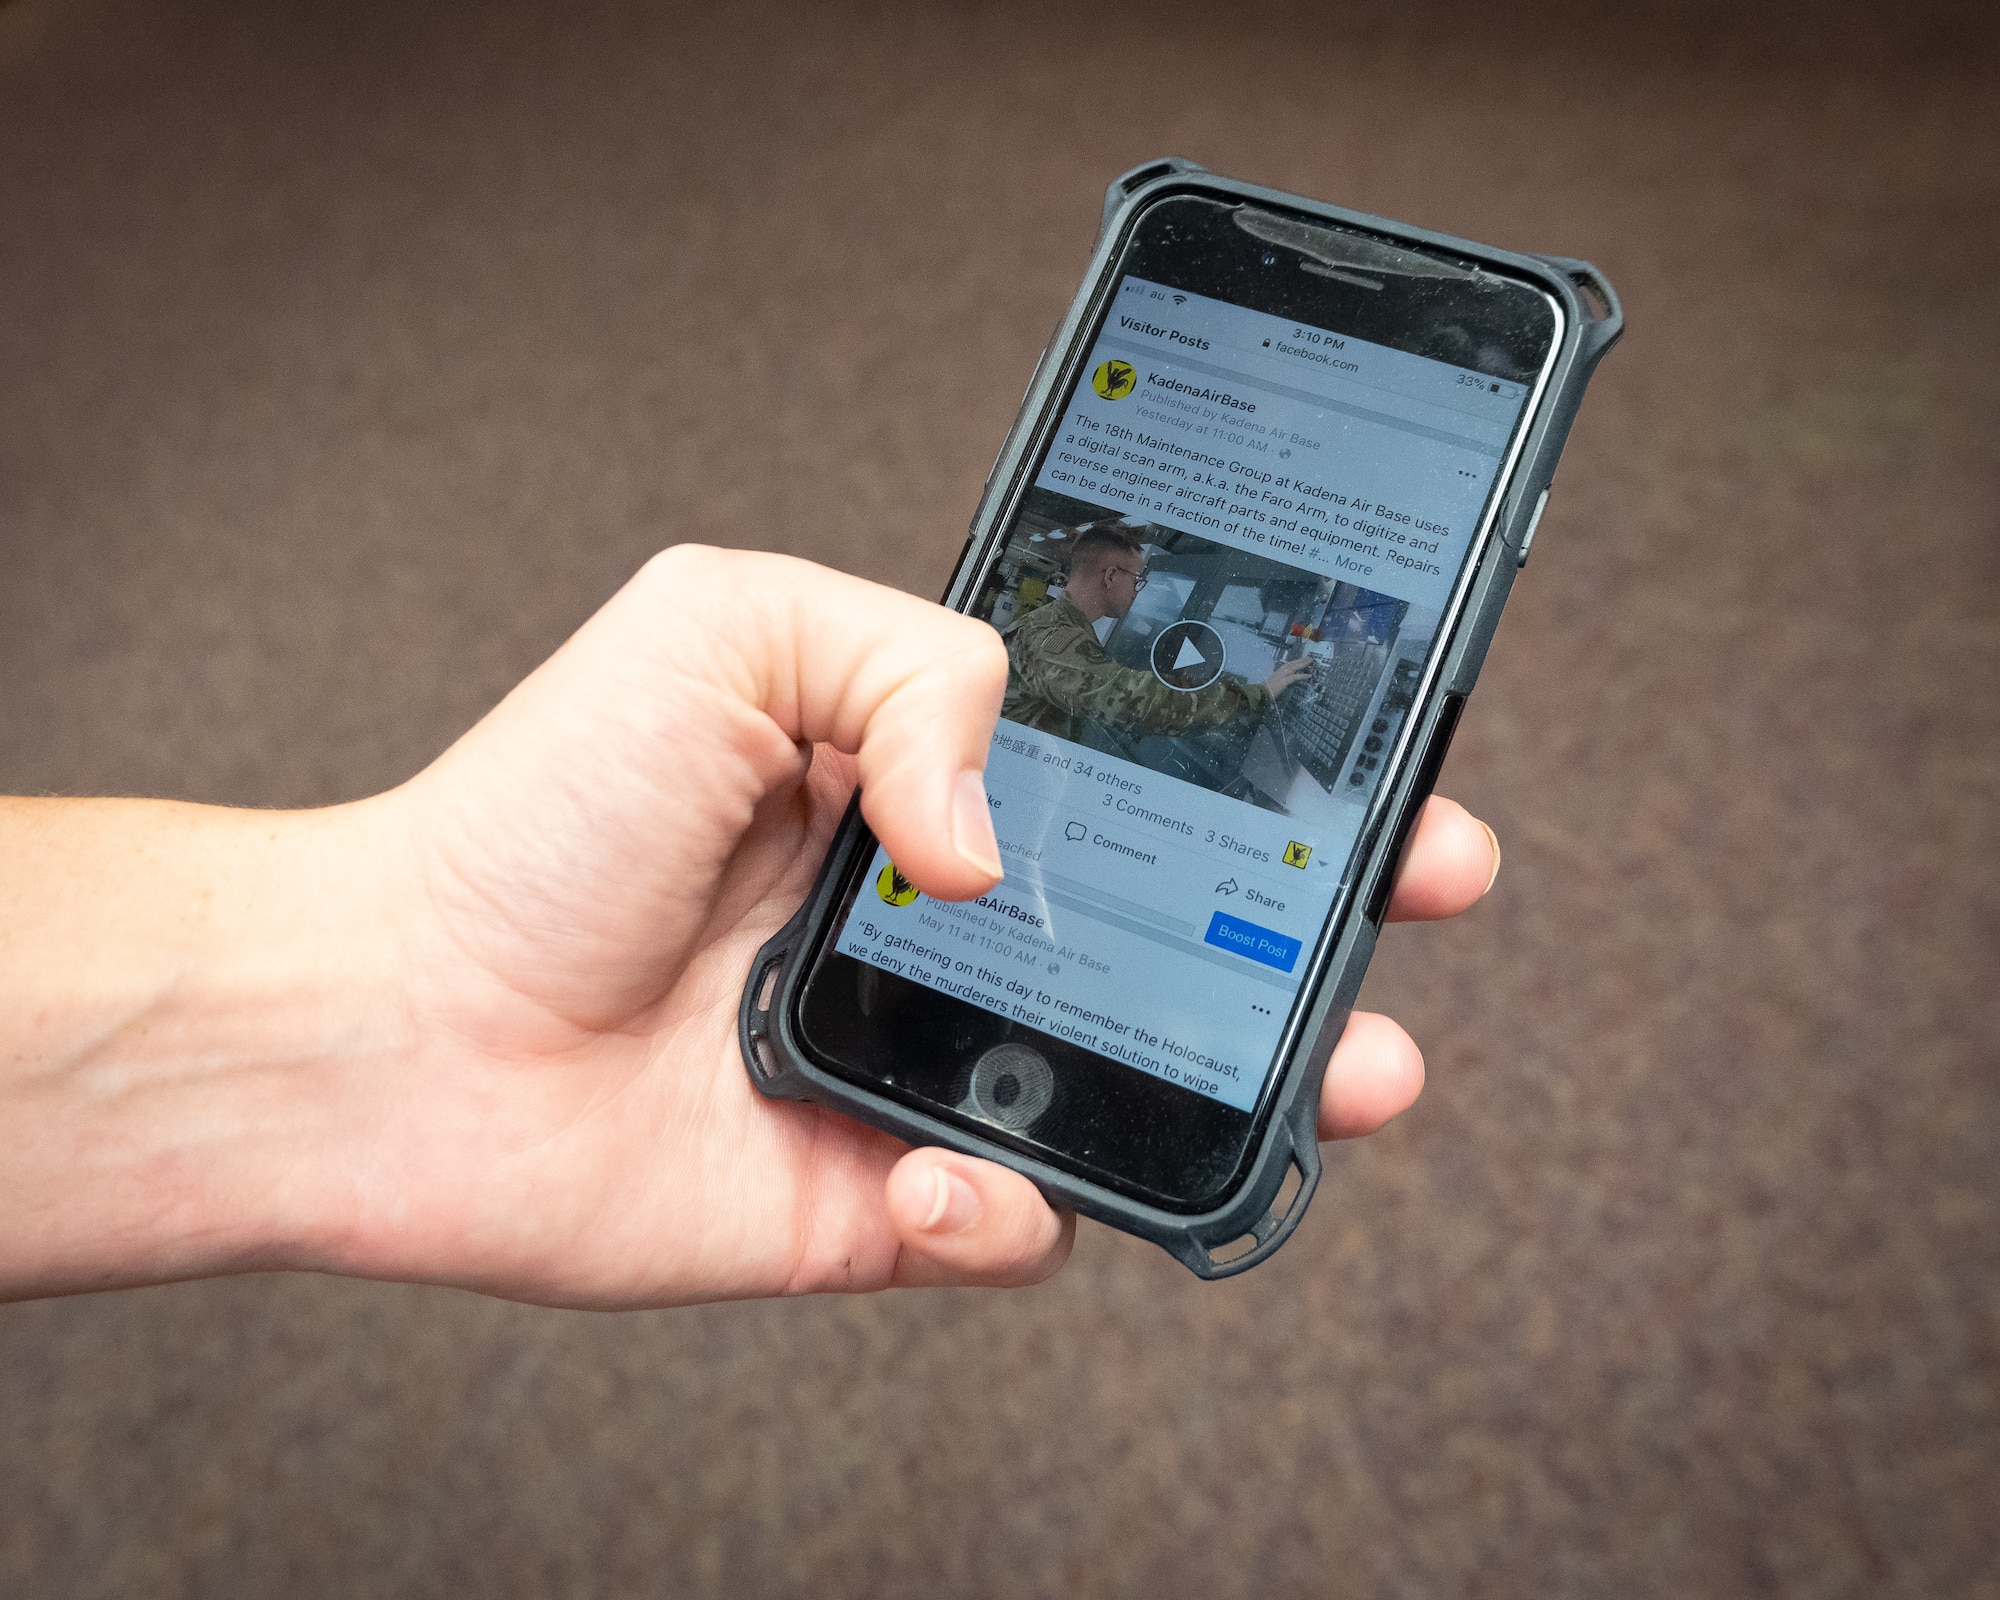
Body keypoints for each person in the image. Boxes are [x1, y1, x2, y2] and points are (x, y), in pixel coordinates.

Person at [0, 546, 1501, 1308]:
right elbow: (1110, 703)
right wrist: (420, 986)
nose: (1123, 595)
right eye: (1117, 573)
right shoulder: (1058, 627)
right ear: (1101, 568)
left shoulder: (1077, 620)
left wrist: (408, 999)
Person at [1000, 522, 1314, 743]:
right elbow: (1133, 700)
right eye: (1137, 581)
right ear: (1111, 576)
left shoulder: (1061, 626)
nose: (1138, 591)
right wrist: (1257, 695)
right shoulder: (1048, 637)